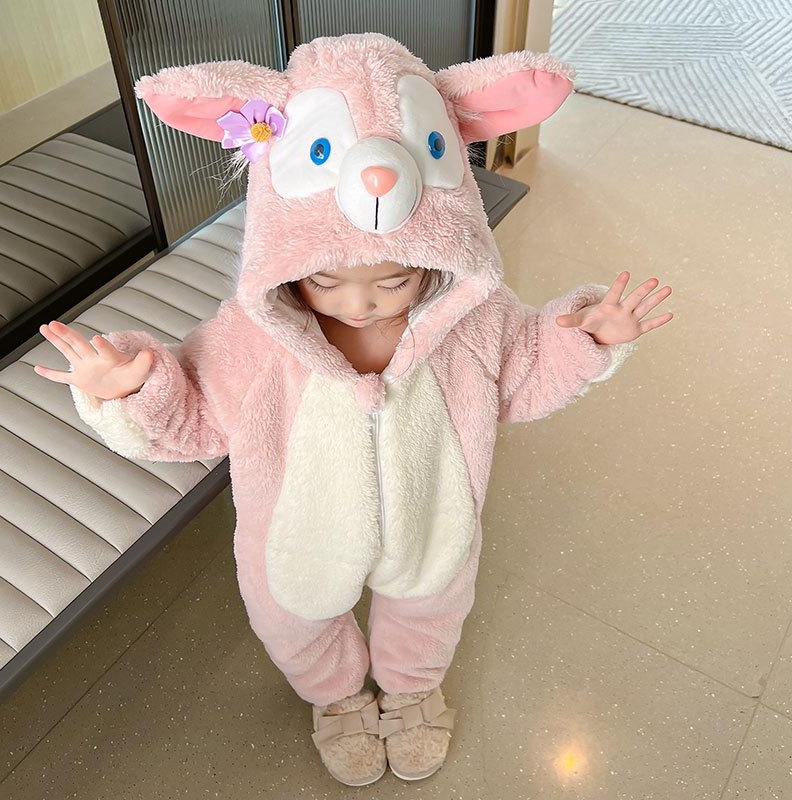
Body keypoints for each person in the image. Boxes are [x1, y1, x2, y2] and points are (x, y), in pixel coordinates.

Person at [33, 32, 673, 787]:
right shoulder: (255, 337)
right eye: (326, 282)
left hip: (434, 515)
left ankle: (413, 690)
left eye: (395, 282)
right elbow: (195, 412)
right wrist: (130, 387)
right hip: (293, 536)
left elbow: (526, 371)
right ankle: (335, 698)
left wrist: (585, 339)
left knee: (430, 606)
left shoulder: (474, 319)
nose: (359, 304)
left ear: (434, 255)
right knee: (293, 619)